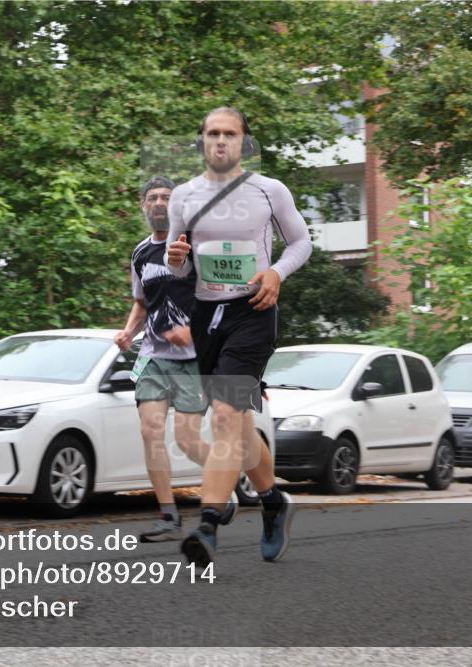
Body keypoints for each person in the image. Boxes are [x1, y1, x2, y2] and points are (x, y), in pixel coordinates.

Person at [165, 107, 312, 565]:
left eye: (230, 134)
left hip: (252, 311)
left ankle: (207, 526)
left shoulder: (270, 191)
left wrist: (276, 272)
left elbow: (302, 242)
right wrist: (177, 260)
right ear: (202, 141)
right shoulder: (184, 197)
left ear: (245, 143)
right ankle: (273, 503)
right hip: (207, 316)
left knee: (225, 415)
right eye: (212, 134)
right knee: (241, 428)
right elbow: (181, 260)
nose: (221, 141)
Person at [114, 175, 236, 541]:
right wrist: (127, 331)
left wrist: (196, 331)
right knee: (150, 430)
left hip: (193, 357)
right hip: (154, 353)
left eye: (167, 197)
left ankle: (222, 484)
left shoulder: (194, 246)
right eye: (152, 197)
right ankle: (168, 515)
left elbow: (220, 297)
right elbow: (141, 302)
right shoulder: (140, 253)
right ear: (143, 205)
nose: (159, 203)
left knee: (186, 439)